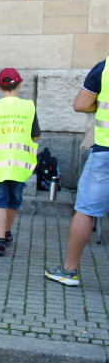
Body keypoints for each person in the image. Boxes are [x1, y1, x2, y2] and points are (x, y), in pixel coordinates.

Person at [45, 57, 109, 286]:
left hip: (105, 153)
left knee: (85, 210)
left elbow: (81, 104)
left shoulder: (105, 67)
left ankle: (69, 270)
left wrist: (99, 104)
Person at [0, 68, 40, 256]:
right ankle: (7, 233)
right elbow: (36, 136)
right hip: (19, 165)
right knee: (13, 201)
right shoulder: (28, 107)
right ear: (20, 85)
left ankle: (0, 241)